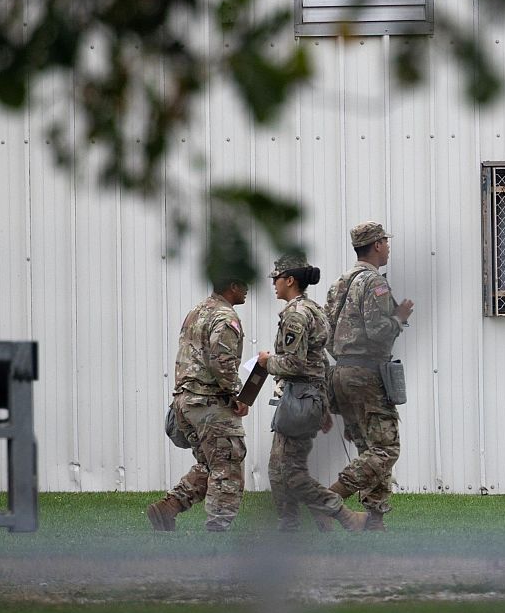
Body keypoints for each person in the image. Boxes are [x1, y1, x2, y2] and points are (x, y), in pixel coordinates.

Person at [257, 254, 367, 533]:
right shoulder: (314, 309)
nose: (274, 284)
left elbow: (294, 363)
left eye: (277, 278)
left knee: (290, 473)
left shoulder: (296, 315)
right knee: (279, 469)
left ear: (290, 280)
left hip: (300, 399)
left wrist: (266, 362)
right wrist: (325, 405)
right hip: (308, 398)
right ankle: (289, 526)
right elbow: (322, 361)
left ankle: (342, 515)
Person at [323, 222, 412, 531]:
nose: (388, 246)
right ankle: (329, 499)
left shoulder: (340, 284)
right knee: (386, 449)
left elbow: (326, 333)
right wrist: (399, 318)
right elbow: (377, 332)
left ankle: (374, 520)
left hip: (341, 373)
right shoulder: (375, 284)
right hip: (367, 373)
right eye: (385, 242)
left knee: (368, 448)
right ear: (376, 245)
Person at [146, 277, 251, 532]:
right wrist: (238, 394)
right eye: (244, 284)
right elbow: (221, 361)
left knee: (209, 464)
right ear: (232, 286)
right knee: (227, 466)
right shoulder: (226, 317)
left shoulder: (197, 311)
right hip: (210, 403)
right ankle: (217, 530)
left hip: (186, 402)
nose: (247, 289)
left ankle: (168, 508)